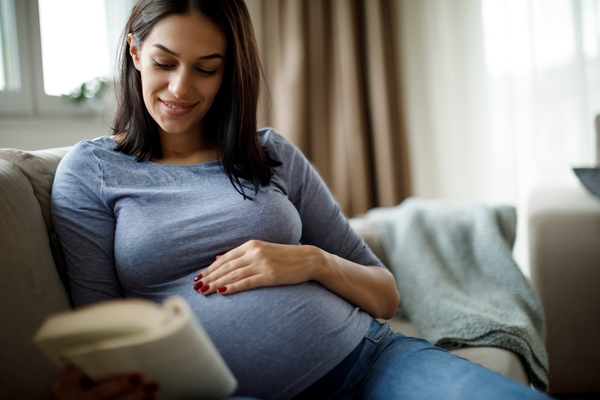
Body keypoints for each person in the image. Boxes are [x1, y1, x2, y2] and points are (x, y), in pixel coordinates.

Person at [50, 1, 550, 399]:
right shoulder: (91, 172)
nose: (180, 87)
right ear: (135, 52)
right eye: (164, 62)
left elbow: (385, 294)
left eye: (206, 69)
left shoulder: (270, 153)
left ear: (229, 74)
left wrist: (310, 261)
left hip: (372, 360)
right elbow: (102, 336)